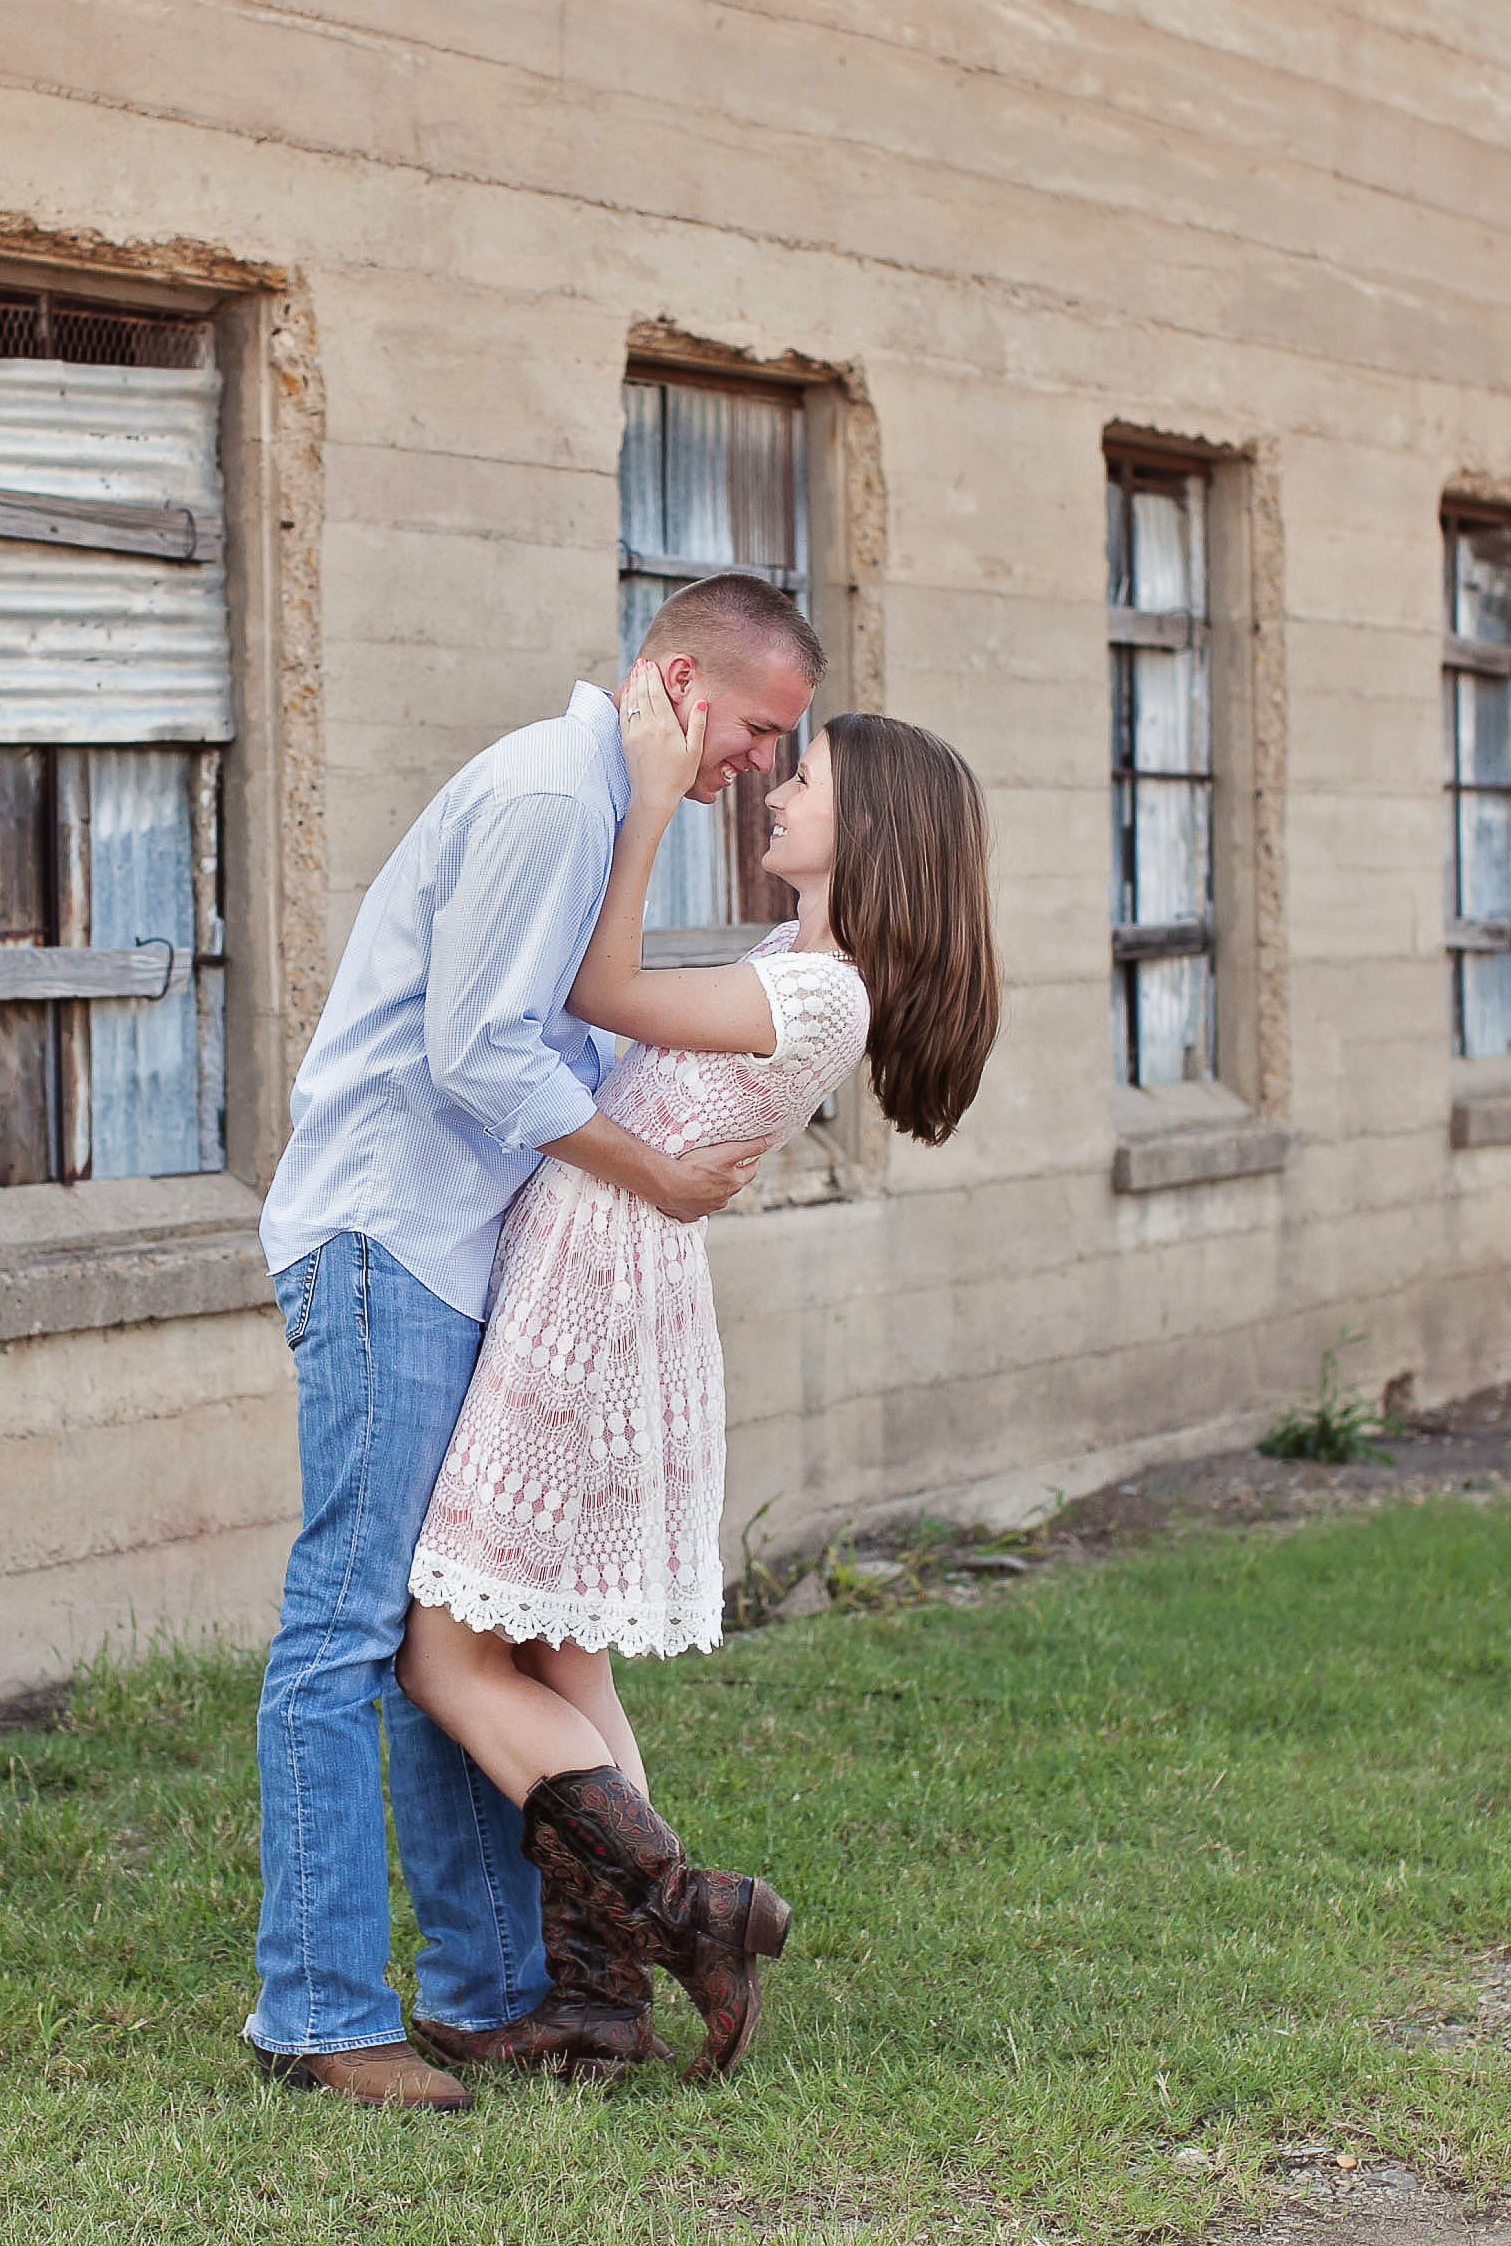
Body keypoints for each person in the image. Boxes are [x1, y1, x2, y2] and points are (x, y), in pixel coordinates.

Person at [247, 576, 820, 2111]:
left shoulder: (598, 802)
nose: (758, 766)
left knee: (461, 1622)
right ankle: (316, 2016)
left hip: (453, 1250)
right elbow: (478, 1044)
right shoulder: (547, 797)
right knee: (347, 1636)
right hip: (390, 1241)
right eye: (759, 730)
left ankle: (503, 1993)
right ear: (682, 680)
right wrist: (657, 1177)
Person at [399, 667, 1003, 2083]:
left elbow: (593, 985)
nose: (779, 793)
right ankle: (603, 2009)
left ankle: (686, 1911)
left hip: (591, 1298)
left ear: (874, 834)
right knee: (558, 1648)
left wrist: (656, 797)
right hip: (605, 1274)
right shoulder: (796, 974)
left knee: (441, 1652)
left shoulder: (812, 995)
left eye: (811, 785)